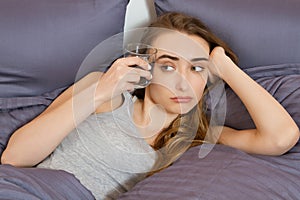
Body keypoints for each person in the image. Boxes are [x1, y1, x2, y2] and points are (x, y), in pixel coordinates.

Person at [1, 12, 299, 199]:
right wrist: (100, 91)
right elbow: (15, 157)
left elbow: (281, 137)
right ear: (144, 66)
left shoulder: (202, 137)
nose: (183, 83)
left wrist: (224, 65)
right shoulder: (104, 94)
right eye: (168, 66)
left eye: (196, 68)